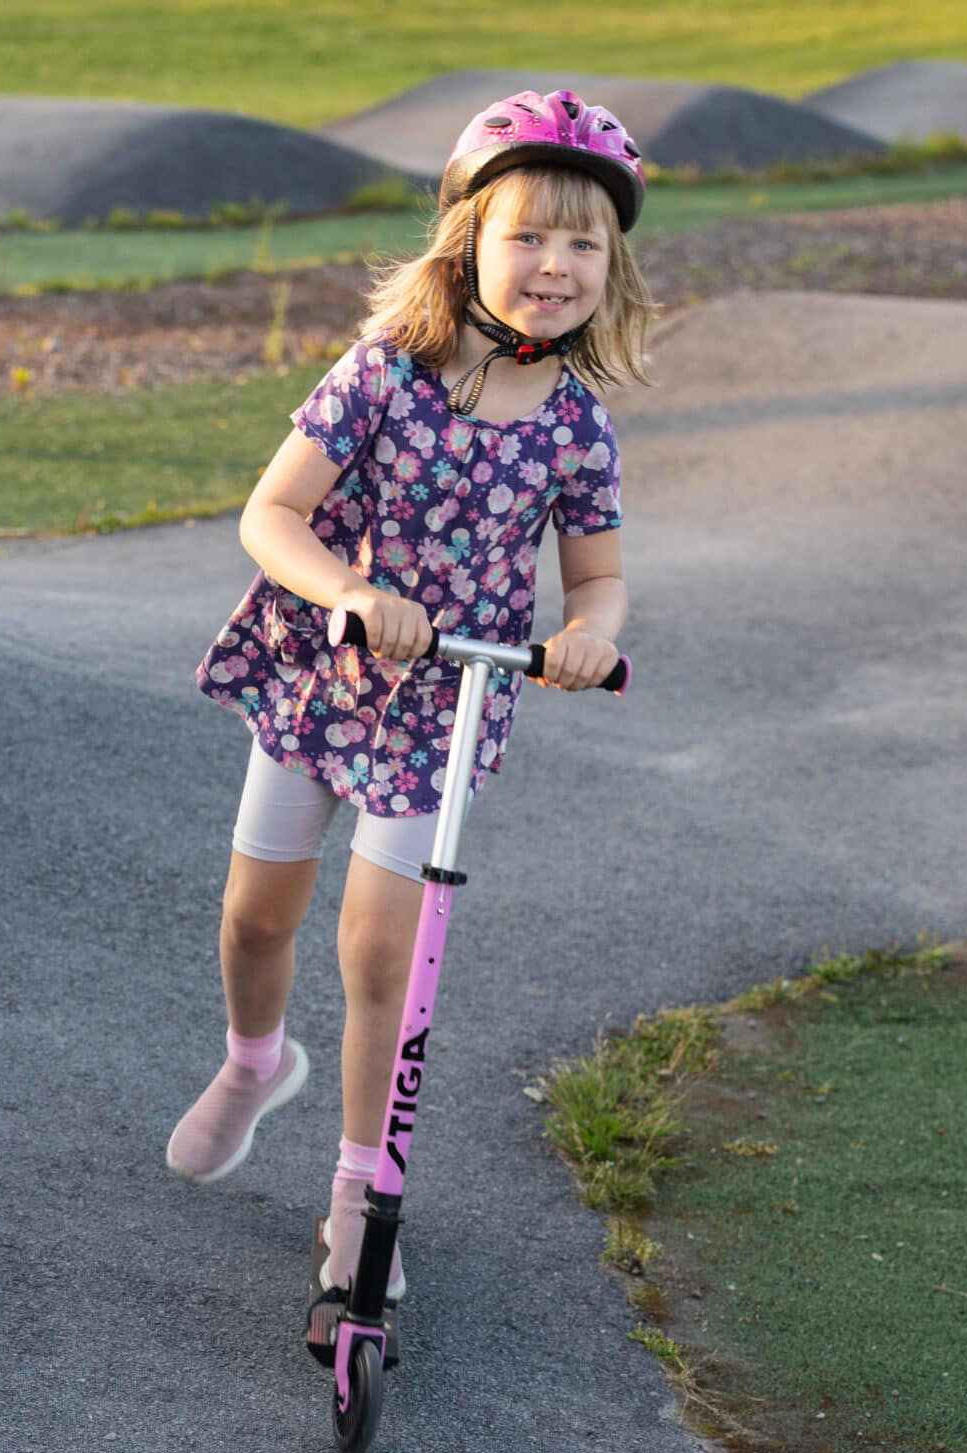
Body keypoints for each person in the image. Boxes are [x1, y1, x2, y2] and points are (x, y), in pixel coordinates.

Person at [166, 90, 658, 1307]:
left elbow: (597, 578)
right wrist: (350, 590)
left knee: (381, 952)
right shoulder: (383, 376)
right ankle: (254, 1060)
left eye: (583, 242)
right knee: (256, 919)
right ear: (469, 243)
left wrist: (586, 637)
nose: (555, 265)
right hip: (325, 671)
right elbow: (271, 513)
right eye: (527, 235)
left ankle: (358, 1188)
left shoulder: (577, 429)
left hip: (445, 704)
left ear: (612, 267)